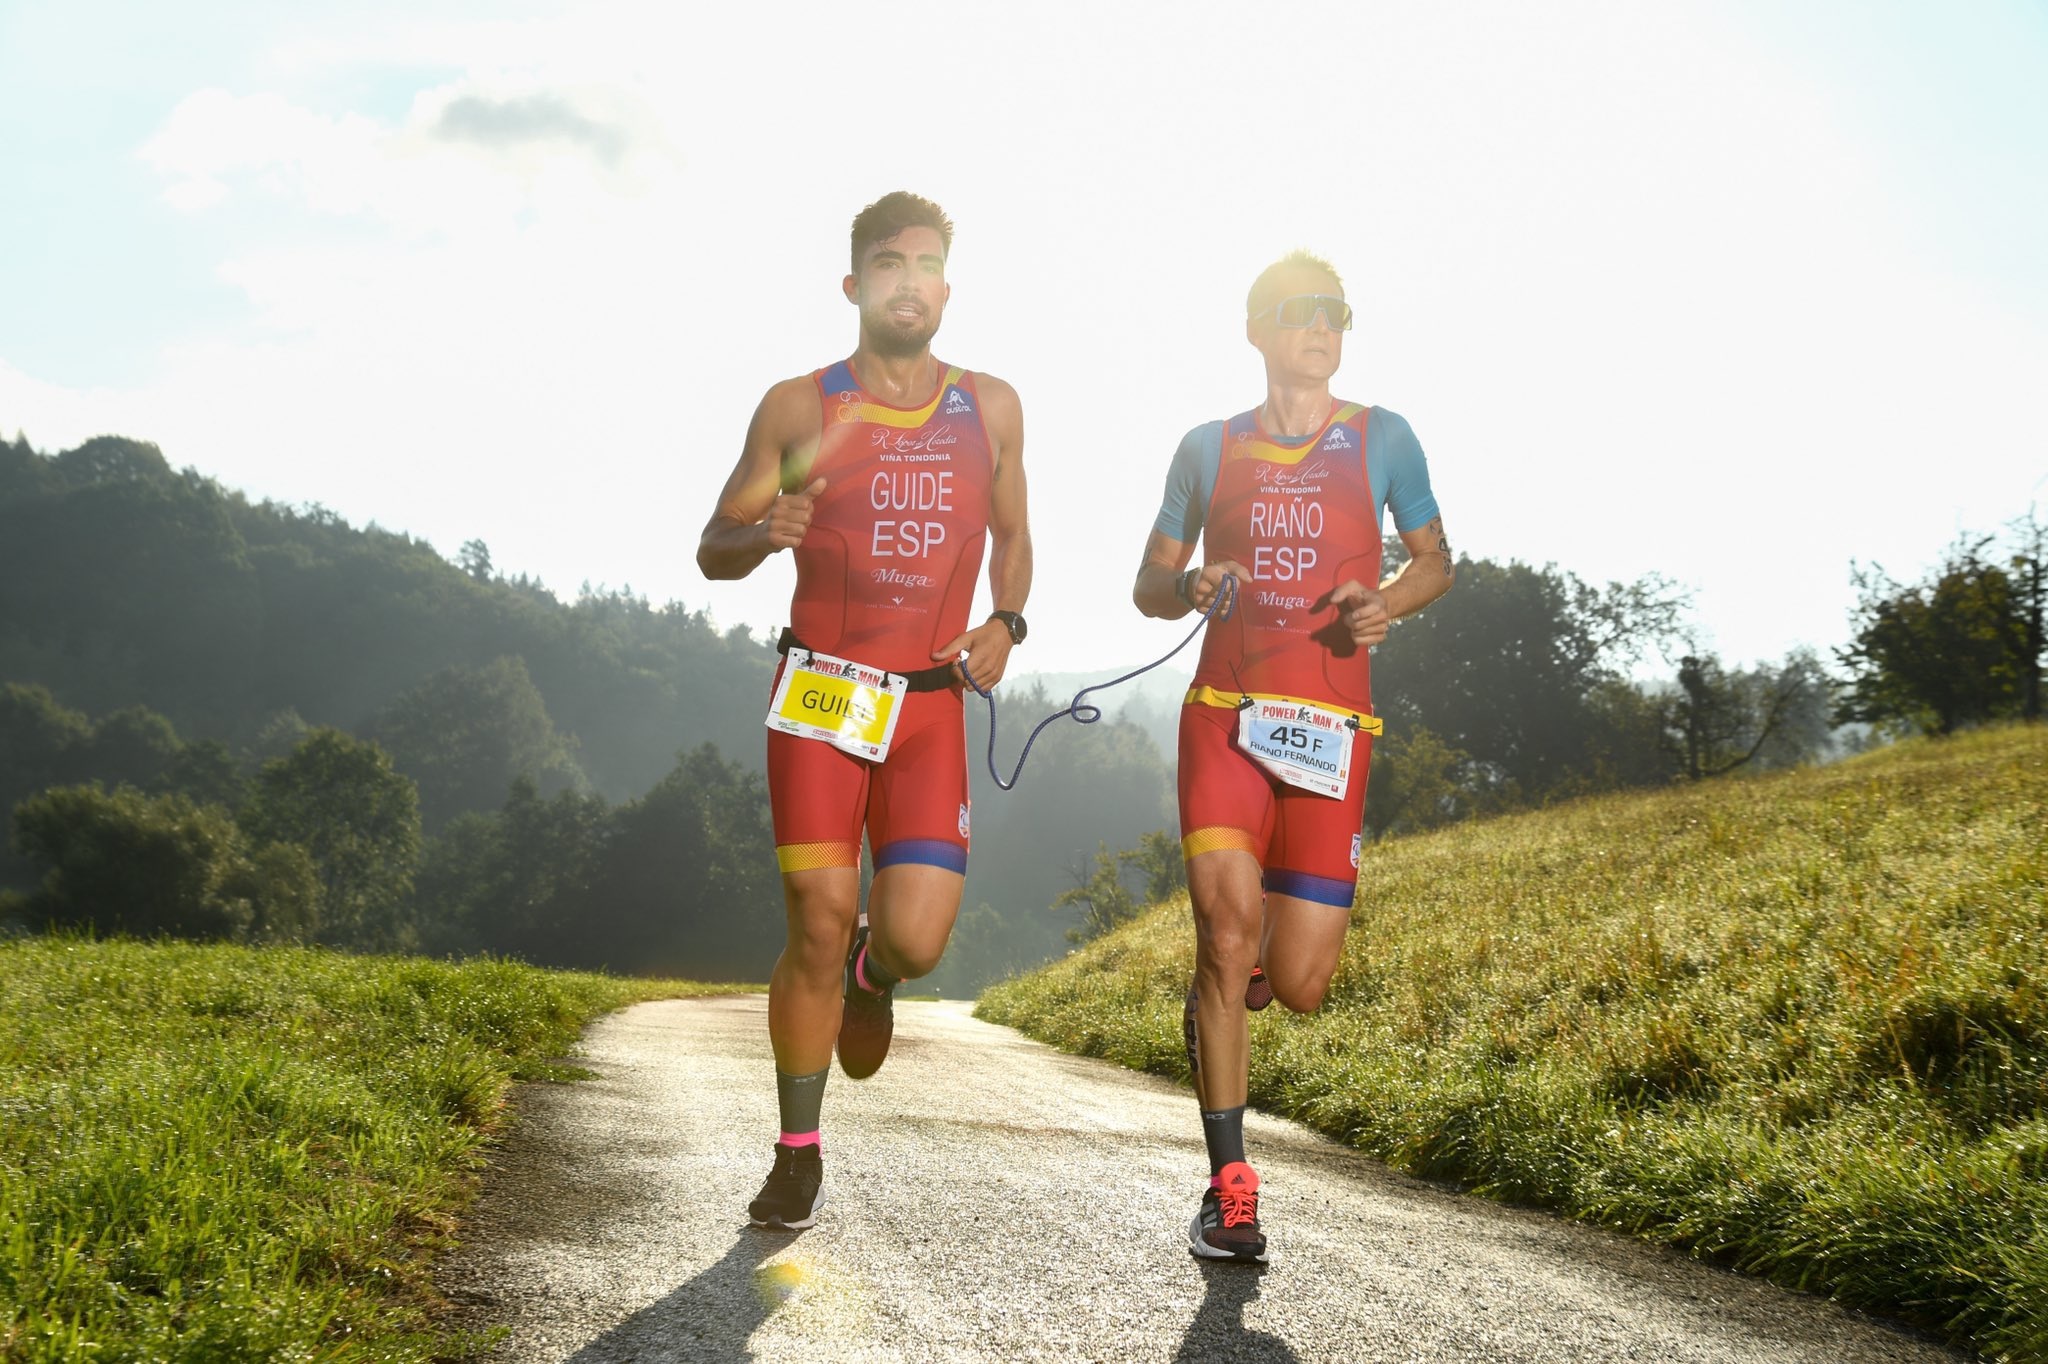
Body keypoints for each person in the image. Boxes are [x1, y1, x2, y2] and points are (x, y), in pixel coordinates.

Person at [697, 191, 1032, 1230]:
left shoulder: (992, 405)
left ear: (944, 286)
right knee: (815, 917)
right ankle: (797, 1150)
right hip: (821, 701)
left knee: (916, 938)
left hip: (931, 706)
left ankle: (872, 973)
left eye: (923, 262)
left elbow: (1015, 535)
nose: (905, 279)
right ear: (854, 284)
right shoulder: (801, 407)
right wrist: (763, 534)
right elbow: (715, 541)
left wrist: (1006, 621)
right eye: (885, 262)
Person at [1132, 250, 1452, 1262]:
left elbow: (1436, 558)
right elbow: (1147, 578)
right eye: (1299, 311)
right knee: (1225, 937)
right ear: (1257, 329)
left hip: (1330, 735)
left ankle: (1244, 972)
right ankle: (1228, 1186)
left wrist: (1385, 599)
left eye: (1334, 313)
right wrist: (1188, 587)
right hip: (1223, 717)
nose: (1321, 326)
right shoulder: (1204, 447)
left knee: (1300, 981)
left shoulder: (1382, 436)